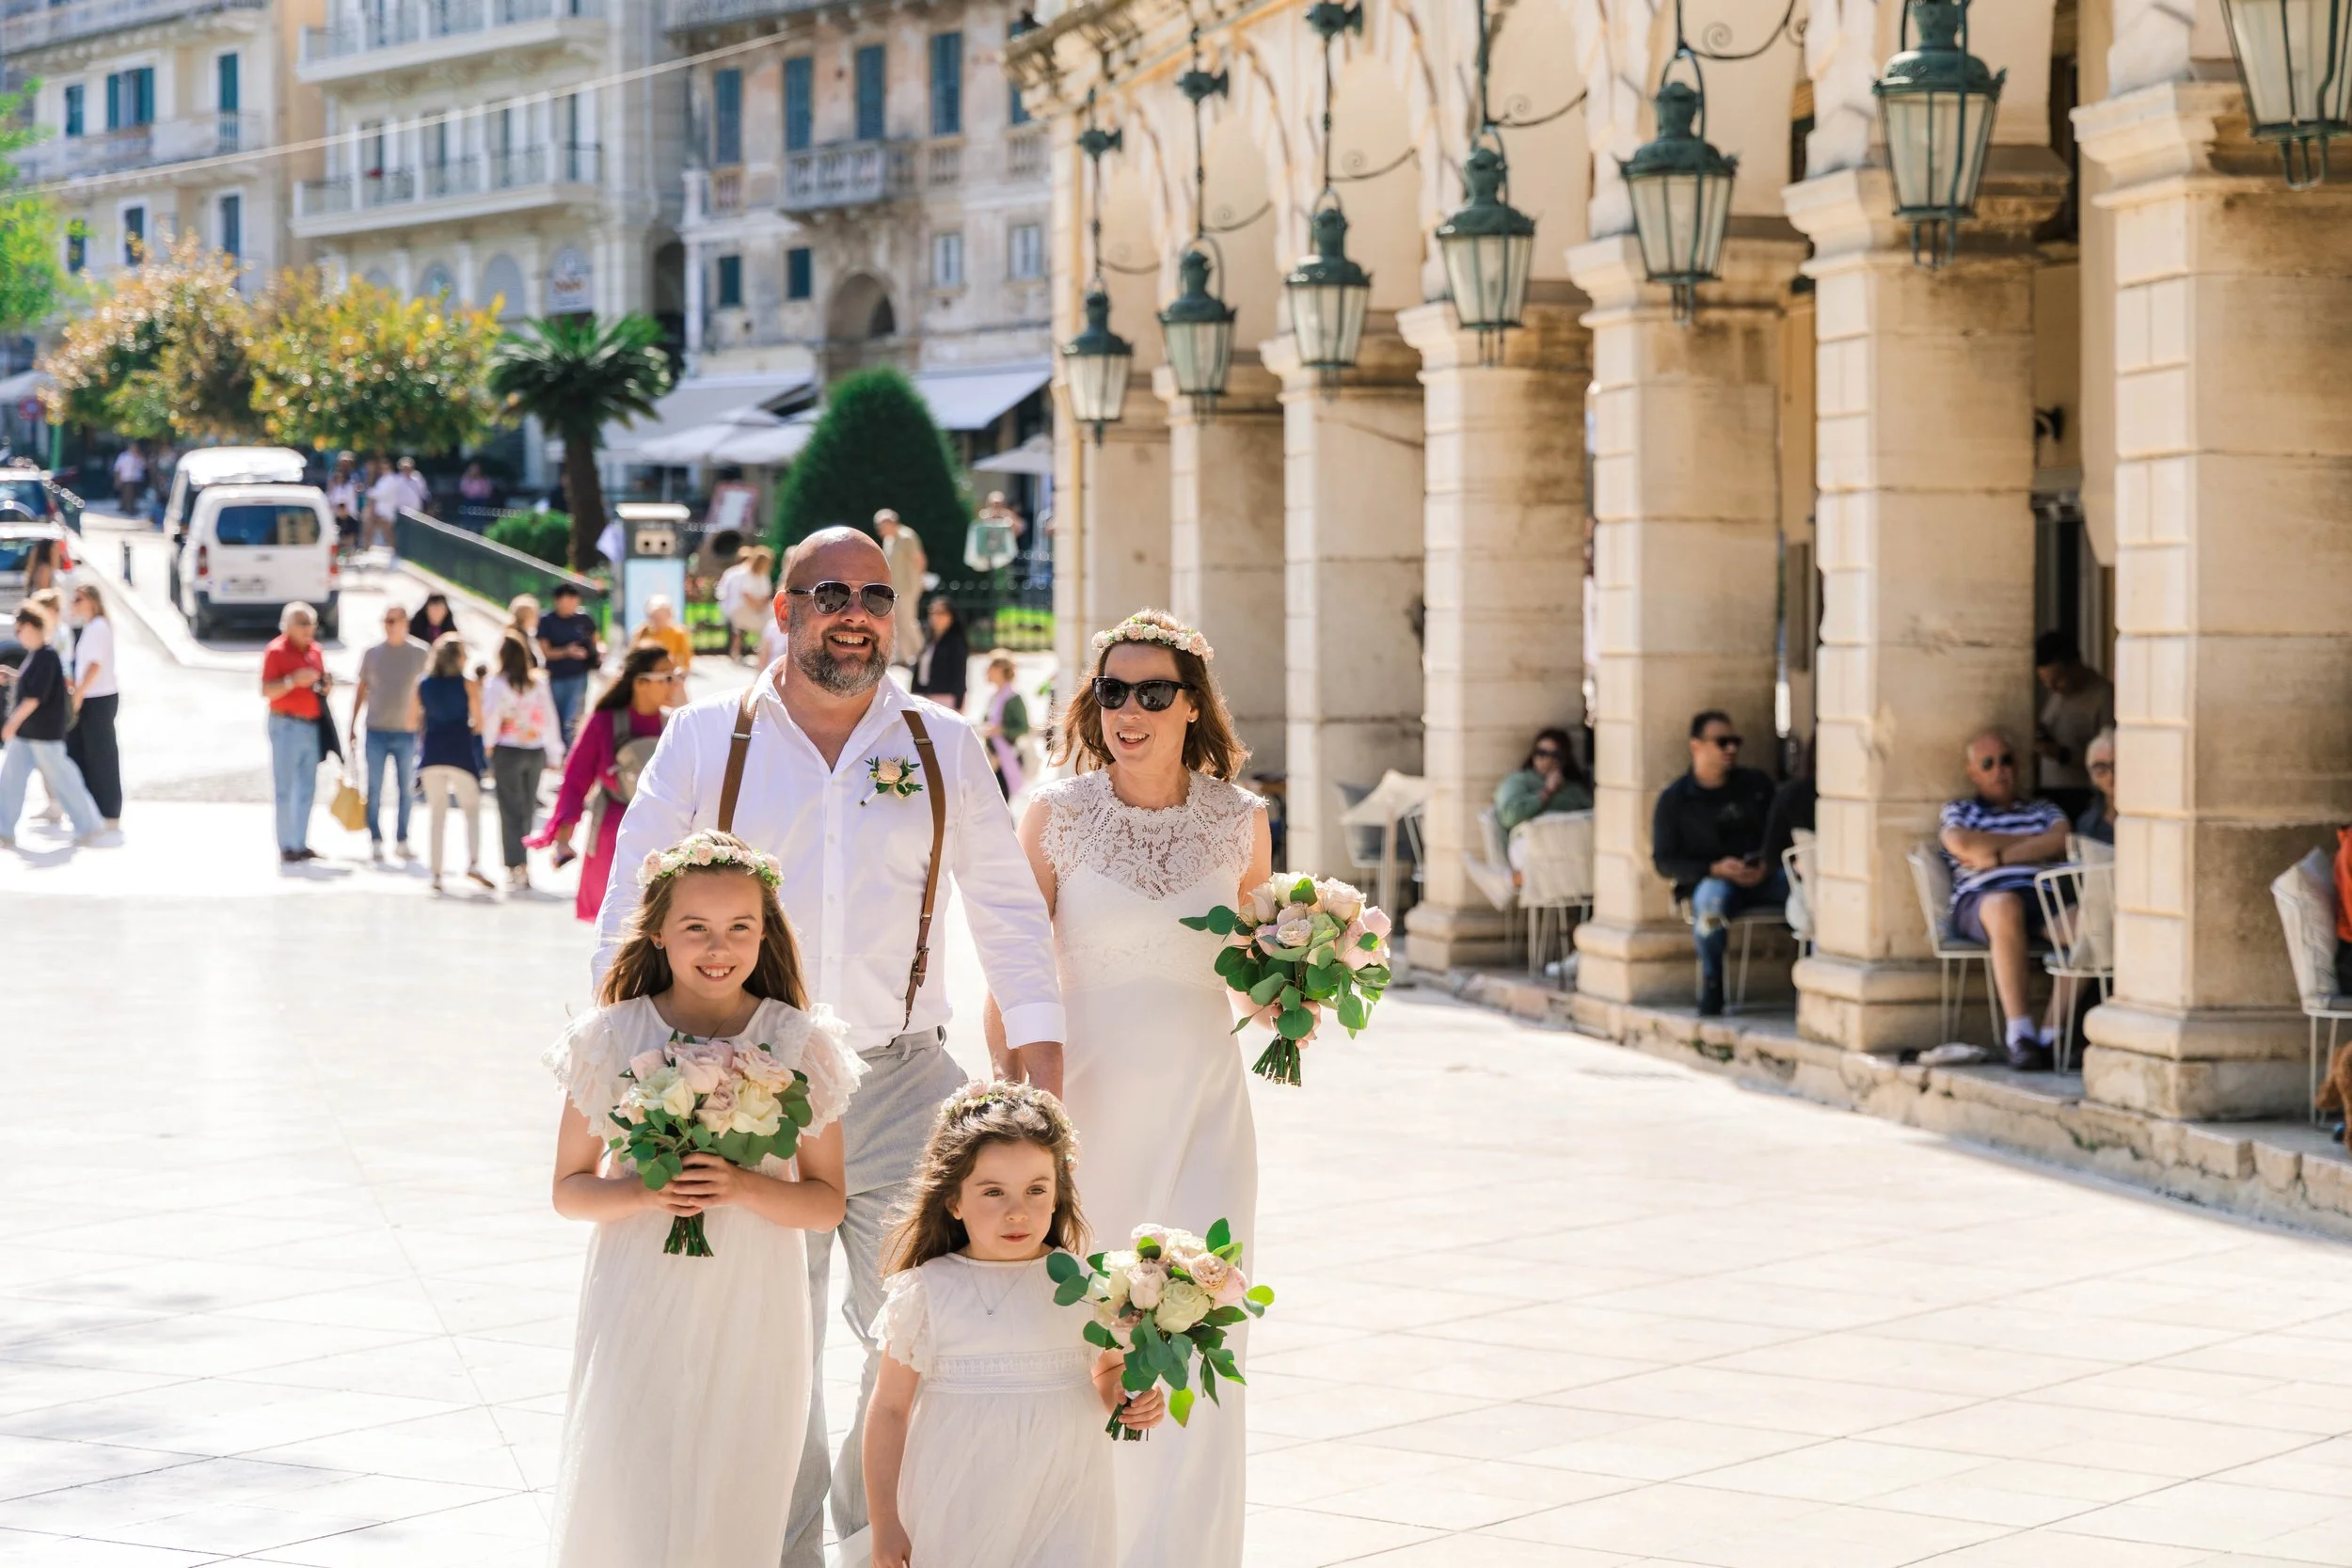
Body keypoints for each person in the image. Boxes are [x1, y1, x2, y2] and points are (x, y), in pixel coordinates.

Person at [591, 527, 1065, 1568]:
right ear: (783, 606)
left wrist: (1040, 1052)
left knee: (920, 1323)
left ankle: (866, 1535)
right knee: (767, 1347)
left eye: (875, 594)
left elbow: (1006, 907)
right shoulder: (707, 738)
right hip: (750, 1077)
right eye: (830, 591)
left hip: (904, 1075)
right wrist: (641, 1065)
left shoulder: (941, 741)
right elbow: (630, 901)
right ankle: (787, 1548)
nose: (855, 611)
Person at [996, 610, 1268, 1568]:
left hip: (1204, 1110)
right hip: (1084, 1108)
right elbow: (1015, 973)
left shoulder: (1240, 819)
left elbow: (1250, 963)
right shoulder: (1056, 814)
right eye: (1113, 691)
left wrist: (1299, 988)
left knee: (1195, 1315)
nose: (1131, 709)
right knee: (1083, 1325)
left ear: (1192, 705)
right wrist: (1015, 1111)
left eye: (1155, 691)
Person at [543, 830, 864, 1568]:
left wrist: (745, 1185)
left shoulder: (797, 1041)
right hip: (640, 1285)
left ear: (765, 933)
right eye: (696, 927)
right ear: (658, 929)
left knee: (735, 1476)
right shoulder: (612, 1036)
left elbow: (826, 1202)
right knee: (632, 1473)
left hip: (752, 1294)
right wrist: (639, 1191)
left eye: (739, 928)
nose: (718, 947)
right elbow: (568, 1189)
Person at [861, 1084, 1162, 1568]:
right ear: (954, 1200)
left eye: (1035, 1190)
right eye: (993, 1192)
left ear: (1058, 1193)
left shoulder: (1084, 1283)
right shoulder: (928, 1292)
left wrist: (1131, 1398)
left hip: (1065, 1490)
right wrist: (885, 1522)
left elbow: (1106, 1373)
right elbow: (891, 1409)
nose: (1017, 1210)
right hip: (961, 1494)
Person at [1940, 729, 2072, 1070]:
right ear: (1973, 772)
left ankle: (2053, 1031)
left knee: (2093, 924)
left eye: (2006, 760)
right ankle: (2020, 1034)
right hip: (1980, 900)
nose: (2000, 769)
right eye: (1988, 763)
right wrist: (2031, 842)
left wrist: (1998, 856)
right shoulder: (1962, 810)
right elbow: (1962, 845)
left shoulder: (2043, 809)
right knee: (2005, 905)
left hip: (2041, 897)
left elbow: (2060, 840)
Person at [535, 644, 682, 919]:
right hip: (612, 834)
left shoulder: (677, 723)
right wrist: (563, 838)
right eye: (667, 677)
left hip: (662, 832)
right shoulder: (604, 722)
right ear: (640, 682)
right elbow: (575, 780)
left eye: (676, 675)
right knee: (616, 919)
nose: (675, 683)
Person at [1652, 709, 1782, 1017]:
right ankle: (1712, 985)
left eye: (1735, 741)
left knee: (1813, 894)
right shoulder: (1676, 800)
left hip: (1764, 876)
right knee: (1709, 904)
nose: (1731, 749)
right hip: (1714, 882)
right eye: (1722, 742)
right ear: (1696, 746)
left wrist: (1765, 862)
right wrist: (1713, 869)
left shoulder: (1756, 785)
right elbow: (1664, 861)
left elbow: (1780, 831)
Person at [0, 604, 104, 847]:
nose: (18, 636)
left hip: (43, 734)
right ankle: (3, 829)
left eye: (19, 630)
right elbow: (34, 684)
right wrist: (13, 675)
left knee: (65, 779)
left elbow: (35, 697)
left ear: (31, 627)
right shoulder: (38, 656)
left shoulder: (46, 656)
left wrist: (11, 724)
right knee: (11, 781)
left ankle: (89, 825)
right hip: (29, 735)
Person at [482, 628, 564, 891]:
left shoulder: (497, 683)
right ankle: (524, 864)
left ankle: (513, 865)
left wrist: (488, 743)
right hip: (534, 749)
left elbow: (491, 714)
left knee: (509, 808)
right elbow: (549, 717)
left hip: (508, 747)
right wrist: (554, 751)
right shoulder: (538, 683)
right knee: (528, 808)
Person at [350, 604, 428, 863]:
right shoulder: (372, 653)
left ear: (405, 622)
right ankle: (375, 838)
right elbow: (361, 689)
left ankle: (402, 839)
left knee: (406, 789)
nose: (390, 624)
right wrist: (351, 725)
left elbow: (428, 693)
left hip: (407, 732)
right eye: (386, 620)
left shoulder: (420, 653)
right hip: (376, 730)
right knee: (374, 787)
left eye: (394, 620)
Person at [416, 635, 493, 895]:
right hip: (460, 752)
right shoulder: (467, 684)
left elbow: (411, 720)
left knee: (437, 814)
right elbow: (480, 723)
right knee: (471, 810)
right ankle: (473, 862)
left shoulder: (424, 684)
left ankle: (436, 873)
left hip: (432, 753)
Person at [261, 601, 329, 863]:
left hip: (311, 724)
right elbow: (266, 690)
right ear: (287, 626)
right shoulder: (276, 651)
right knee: (285, 787)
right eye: (302, 623)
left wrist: (324, 685)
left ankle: (301, 842)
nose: (308, 629)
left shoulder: (316, 651)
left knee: (307, 787)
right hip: (285, 724)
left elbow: (320, 684)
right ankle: (286, 844)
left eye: (310, 623)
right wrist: (292, 681)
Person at [2033, 631, 2114, 821]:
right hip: (2048, 791)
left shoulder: (2103, 697)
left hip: (2082, 794)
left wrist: (2062, 755)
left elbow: (2110, 756)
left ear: (2075, 666)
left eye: (2058, 680)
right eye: (2047, 683)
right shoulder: (2056, 694)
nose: (2054, 688)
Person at [64, 586, 121, 831]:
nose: (74, 604)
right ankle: (91, 807)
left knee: (101, 755)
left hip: (98, 697)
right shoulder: (89, 627)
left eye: (79, 599)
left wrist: (79, 693)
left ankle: (108, 810)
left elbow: (95, 666)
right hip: (89, 696)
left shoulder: (98, 627)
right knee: (83, 752)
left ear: (92, 602)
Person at [1493, 727, 1593, 834]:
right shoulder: (1518, 780)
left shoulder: (1573, 789)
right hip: (1529, 842)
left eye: (1555, 755)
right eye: (1541, 753)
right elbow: (1509, 817)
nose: (1547, 760)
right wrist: (1546, 792)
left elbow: (1593, 813)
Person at [539, 582, 603, 742]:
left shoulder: (584, 618)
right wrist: (567, 651)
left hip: (579, 675)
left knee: (573, 717)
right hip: (556, 676)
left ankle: (570, 754)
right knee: (555, 716)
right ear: (557, 600)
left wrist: (596, 652)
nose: (572, 605)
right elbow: (546, 652)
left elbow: (596, 640)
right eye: (568, 600)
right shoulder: (547, 621)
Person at [875, 510, 927, 667]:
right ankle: (905, 657)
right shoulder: (888, 540)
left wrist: (919, 582)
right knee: (898, 623)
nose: (879, 529)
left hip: (908, 587)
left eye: (881, 525)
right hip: (894, 590)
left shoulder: (907, 537)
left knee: (909, 621)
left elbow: (919, 560)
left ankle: (923, 653)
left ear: (891, 522)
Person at [977, 650, 1028, 799]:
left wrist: (1001, 730)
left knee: (1001, 800)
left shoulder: (1014, 698)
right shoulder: (994, 697)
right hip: (992, 756)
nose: (987, 672)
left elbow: (1023, 728)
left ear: (1000, 670)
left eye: (990, 668)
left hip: (1007, 756)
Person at [719, 545, 776, 662]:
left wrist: (762, 606)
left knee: (773, 617)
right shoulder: (743, 573)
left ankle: (764, 650)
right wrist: (759, 607)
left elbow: (766, 594)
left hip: (756, 608)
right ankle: (763, 652)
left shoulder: (762, 575)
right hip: (741, 609)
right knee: (764, 625)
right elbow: (746, 595)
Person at [911, 594, 967, 713]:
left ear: (951, 616)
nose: (935, 617)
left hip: (945, 699)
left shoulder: (956, 642)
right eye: (932, 612)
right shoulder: (929, 641)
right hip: (924, 696)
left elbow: (960, 674)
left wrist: (959, 705)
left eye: (941, 613)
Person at [633, 593, 693, 674]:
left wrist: (681, 671)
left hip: (669, 675)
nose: (656, 621)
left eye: (660, 618)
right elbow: (633, 654)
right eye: (653, 617)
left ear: (669, 616)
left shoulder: (678, 633)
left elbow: (686, 658)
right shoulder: (642, 631)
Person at [2077, 727, 2116, 847]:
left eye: (2117, 765)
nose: (2111, 775)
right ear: (2091, 777)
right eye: (2100, 768)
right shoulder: (2088, 824)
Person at [326, 454, 359, 557]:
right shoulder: (333, 476)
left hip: (350, 512)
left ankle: (349, 555)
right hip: (336, 512)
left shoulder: (354, 477)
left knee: (349, 535)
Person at [506, 594, 543, 668]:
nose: (538, 618)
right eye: (536, 614)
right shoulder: (516, 638)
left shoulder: (524, 635)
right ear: (527, 616)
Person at [111, 442, 146, 515]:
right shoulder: (123, 456)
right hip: (126, 478)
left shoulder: (139, 456)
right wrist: (117, 479)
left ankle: (131, 507)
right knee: (127, 494)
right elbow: (118, 468)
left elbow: (144, 466)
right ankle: (128, 508)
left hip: (136, 478)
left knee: (134, 494)